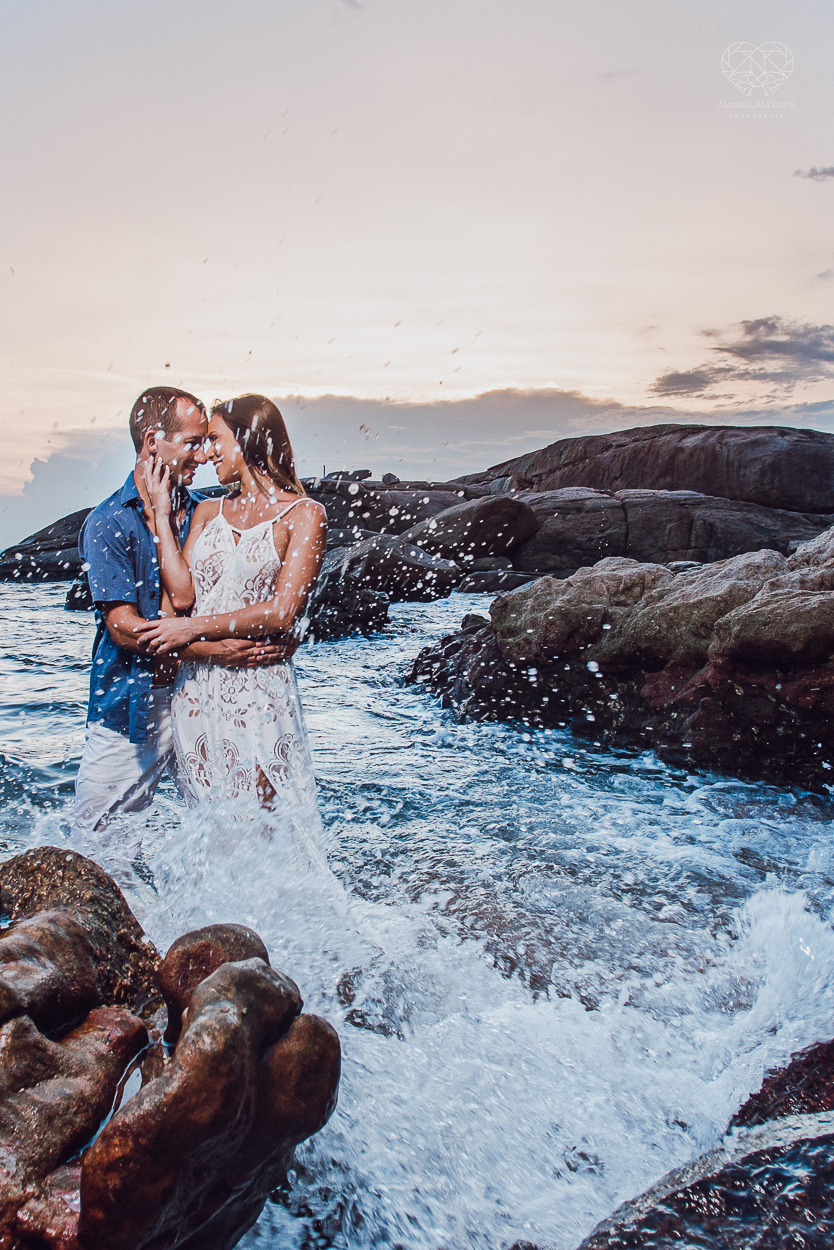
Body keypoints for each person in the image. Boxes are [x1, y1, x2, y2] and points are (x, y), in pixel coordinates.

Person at [74, 386, 292, 832]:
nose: (204, 455)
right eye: (193, 442)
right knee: (100, 843)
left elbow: (232, 593)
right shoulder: (108, 522)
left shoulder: (204, 513)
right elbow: (123, 629)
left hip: (205, 700)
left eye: (208, 442)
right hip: (133, 707)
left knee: (242, 832)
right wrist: (217, 651)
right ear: (154, 441)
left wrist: (278, 637)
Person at [136, 394, 327, 815]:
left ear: (248, 440)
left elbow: (282, 611)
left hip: (259, 689)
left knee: (266, 824)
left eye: (215, 439)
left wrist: (194, 628)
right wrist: (162, 519)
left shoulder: (305, 514)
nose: (206, 453)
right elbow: (176, 604)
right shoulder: (205, 512)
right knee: (208, 824)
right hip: (196, 691)